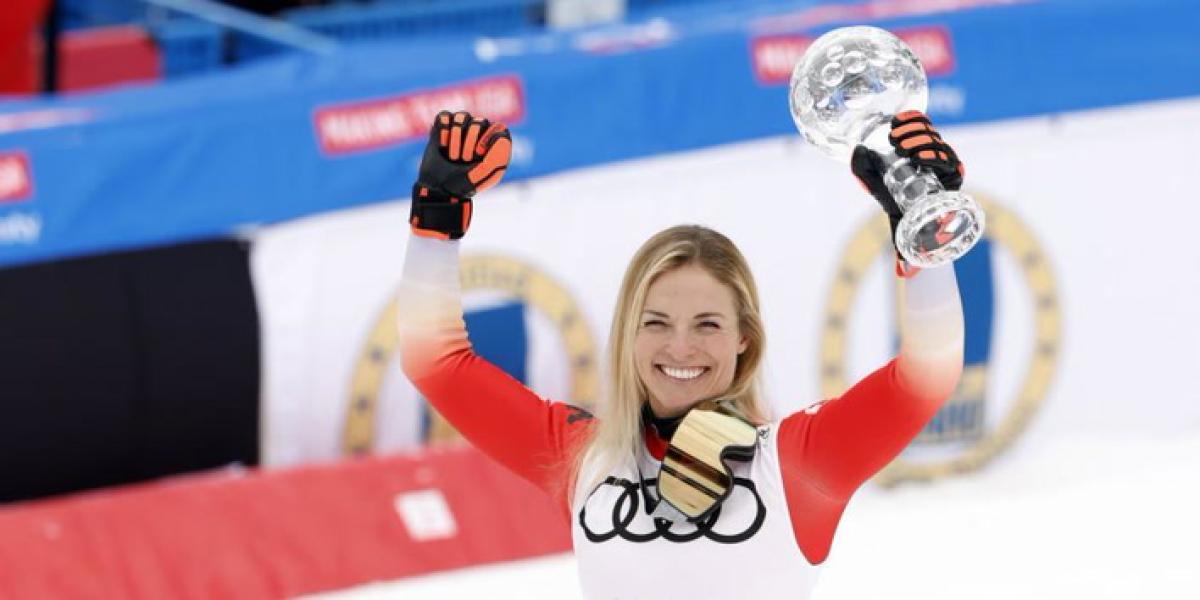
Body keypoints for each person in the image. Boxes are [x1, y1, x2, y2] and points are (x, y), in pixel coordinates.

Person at [397, 110, 965, 598]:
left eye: (708, 324)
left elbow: (927, 372)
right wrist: (438, 214)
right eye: (657, 323)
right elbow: (435, 363)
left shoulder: (796, 463)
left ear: (745, 337)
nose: (680, 347)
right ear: (628, 334)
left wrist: (926, 237)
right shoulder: (586, 457)